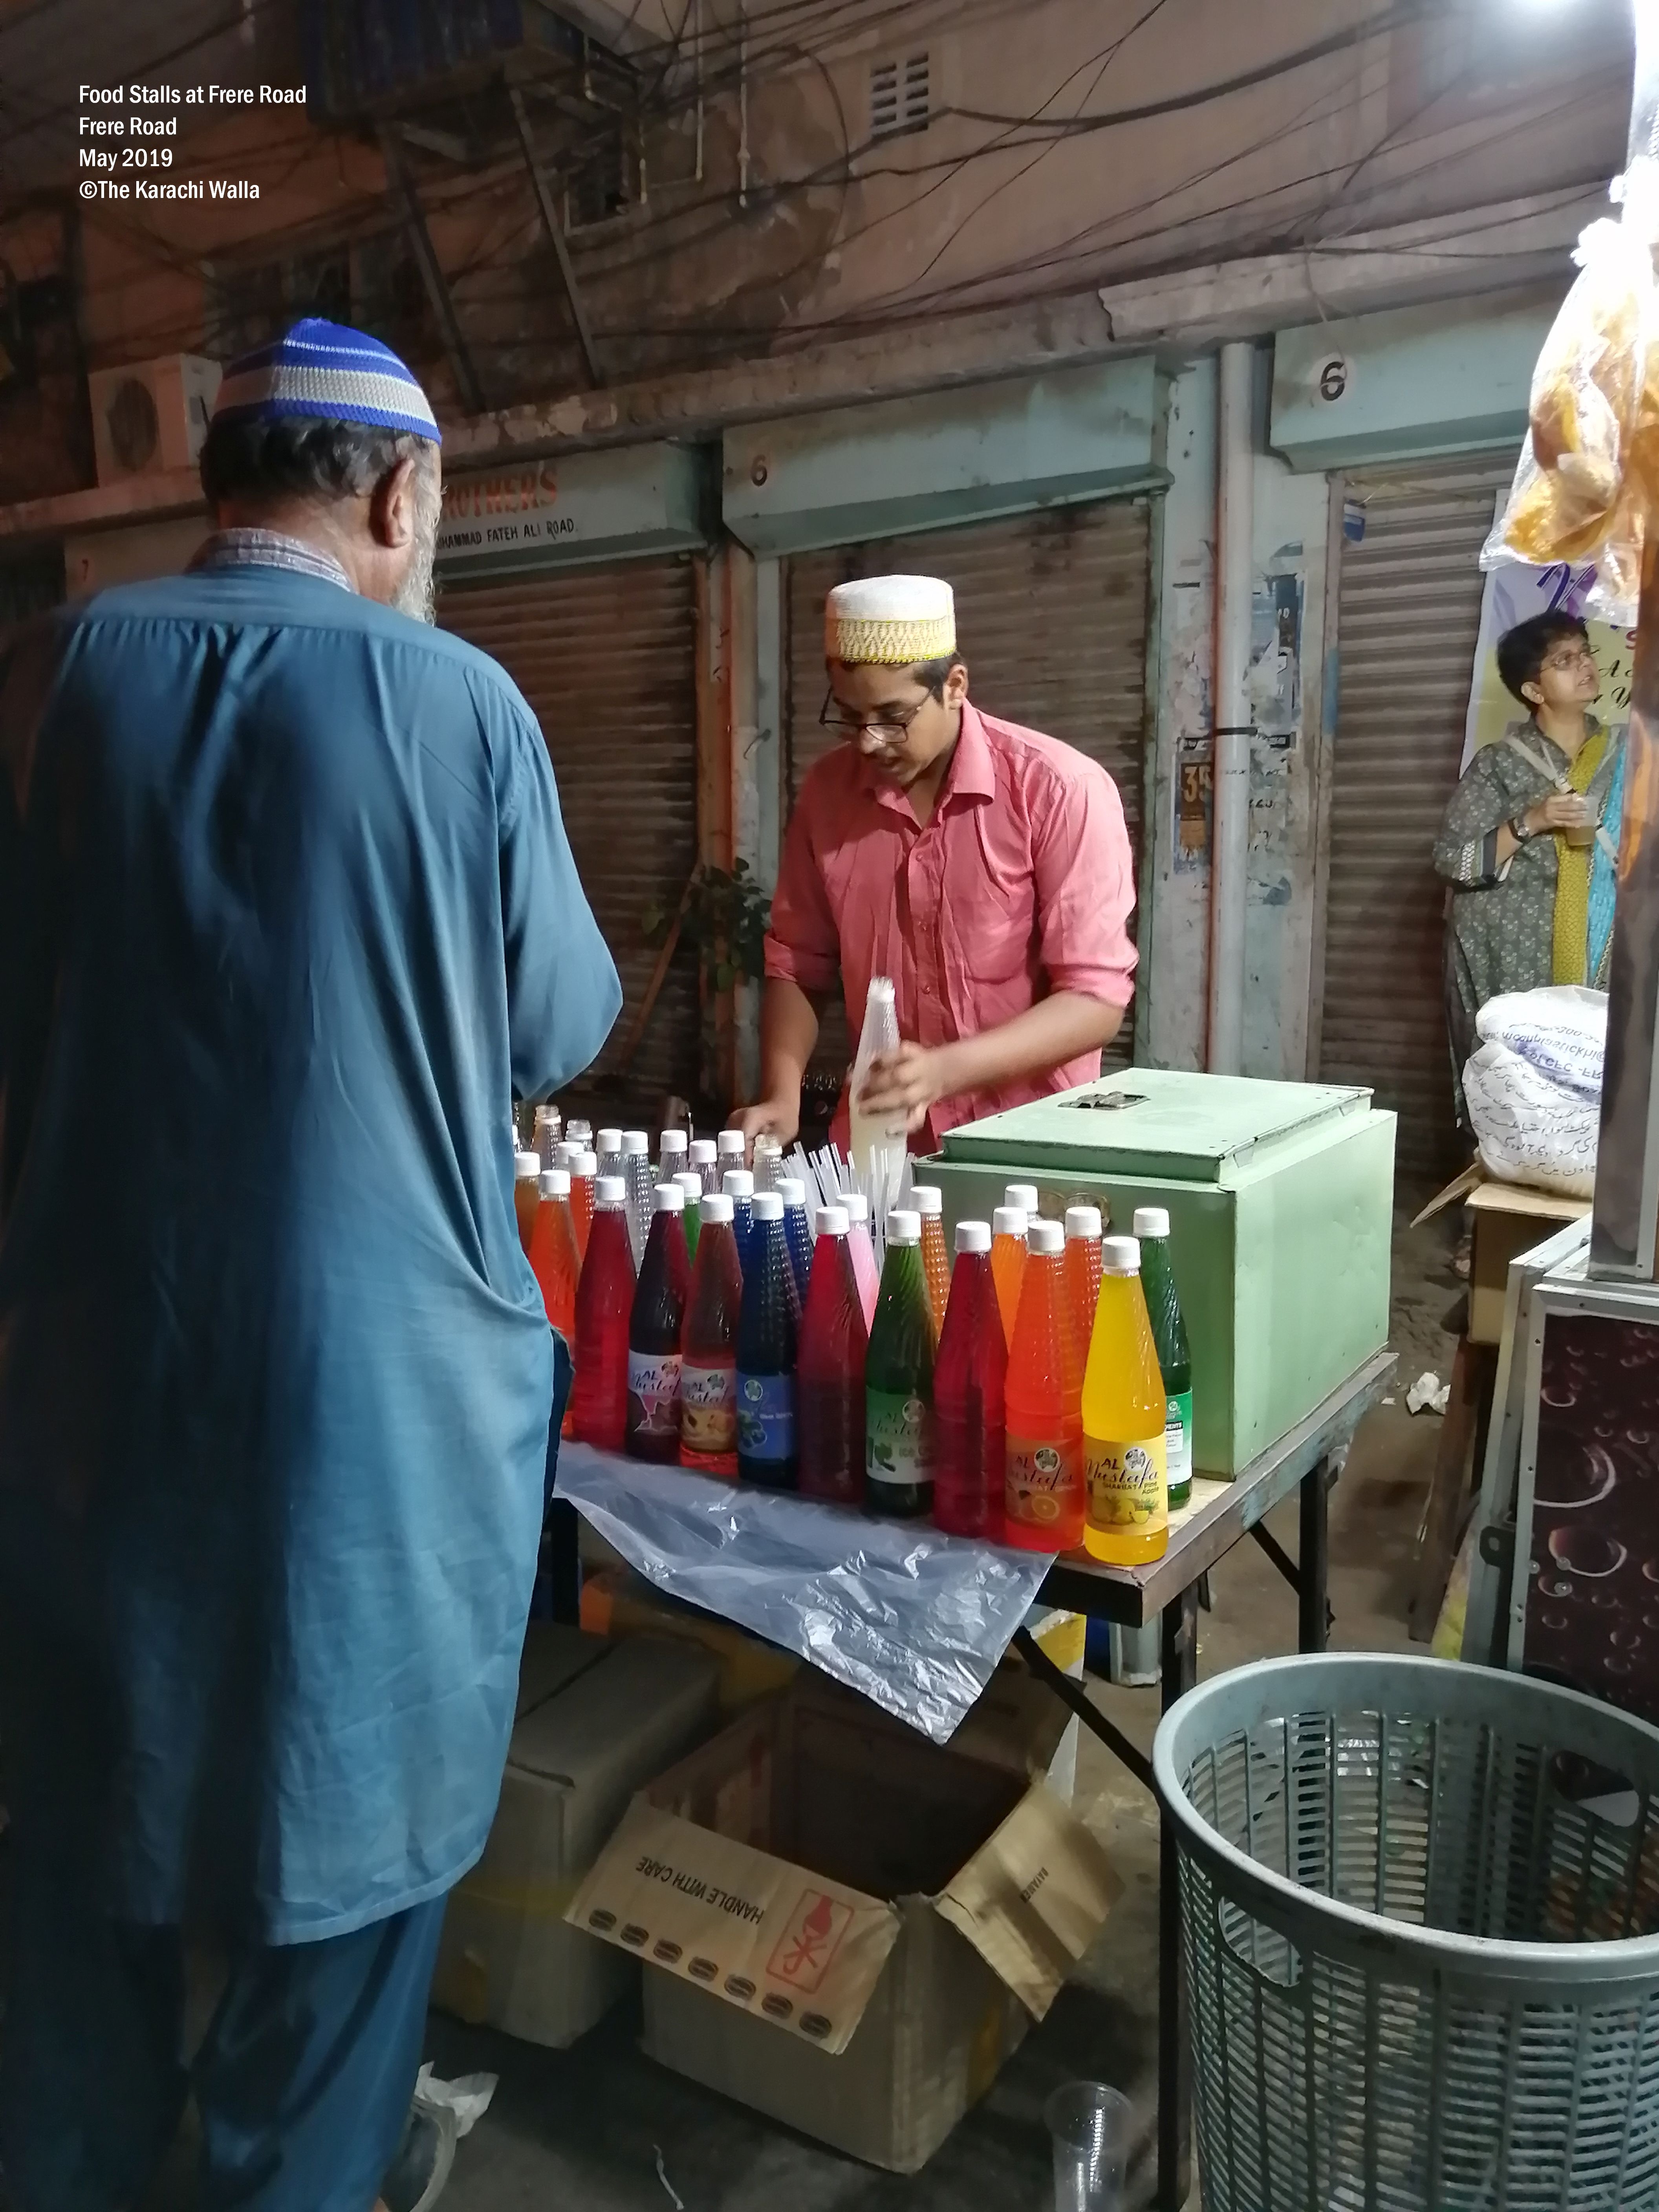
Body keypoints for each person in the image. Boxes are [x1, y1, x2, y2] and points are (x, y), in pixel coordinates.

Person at [0, 320, 620, 2212]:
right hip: (376, 1414)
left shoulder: (57, 673)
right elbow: (560, 1021)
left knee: (86, 1814)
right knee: (339, 1839)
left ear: (221, 485)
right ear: (399, 495)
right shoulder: (464, 708)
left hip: (95, 1380)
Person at [730, 575, 1136, 1154]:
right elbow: (798, 962)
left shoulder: (1058, 790)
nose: (869, 743)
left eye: (892, 717)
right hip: (883, 1149)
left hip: (1028, 1151)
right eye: (850, 717)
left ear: (955, 686)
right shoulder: (827, 796)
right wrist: (781, 1094)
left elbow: (1095, 999)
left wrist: (944, 1071)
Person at [1435, 610, 1626, 1119]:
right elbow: (1453, 861)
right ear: (1534, 690)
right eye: (1564, 661)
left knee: (1603, 1098)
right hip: (1515, 960)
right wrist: (1531, 821)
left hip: (1605, 955)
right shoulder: (1499, 764)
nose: (1584, 666)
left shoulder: (1630, 755)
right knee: (1518, 1101)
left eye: (1585, 653)